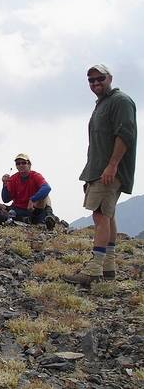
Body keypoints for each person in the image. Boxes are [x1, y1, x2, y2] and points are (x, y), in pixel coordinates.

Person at [64, 64, 137, 287]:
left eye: (100, 79)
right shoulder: (104, 103)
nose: (95, 83)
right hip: (98, 169)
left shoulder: (120, 101)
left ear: (110, 78)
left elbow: (125, 134)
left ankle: (94, 270)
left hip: (108, 171)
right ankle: (108, 267)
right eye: (91, 80)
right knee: (107, 214)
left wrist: (112, 165)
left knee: (99, 216)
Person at [1, 153, 56, 230]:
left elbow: (47, 188)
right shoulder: (13, 178)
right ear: (16, 166)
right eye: (18, 163)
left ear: (29, 164)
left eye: (23, 163)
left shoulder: (35, 175)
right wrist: (4, 184)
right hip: (18, 209)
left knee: (46, 195)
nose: (21, 165)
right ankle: (35, 219)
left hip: (34, 209)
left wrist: (33, 199)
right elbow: (6, 199)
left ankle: (49, 215)